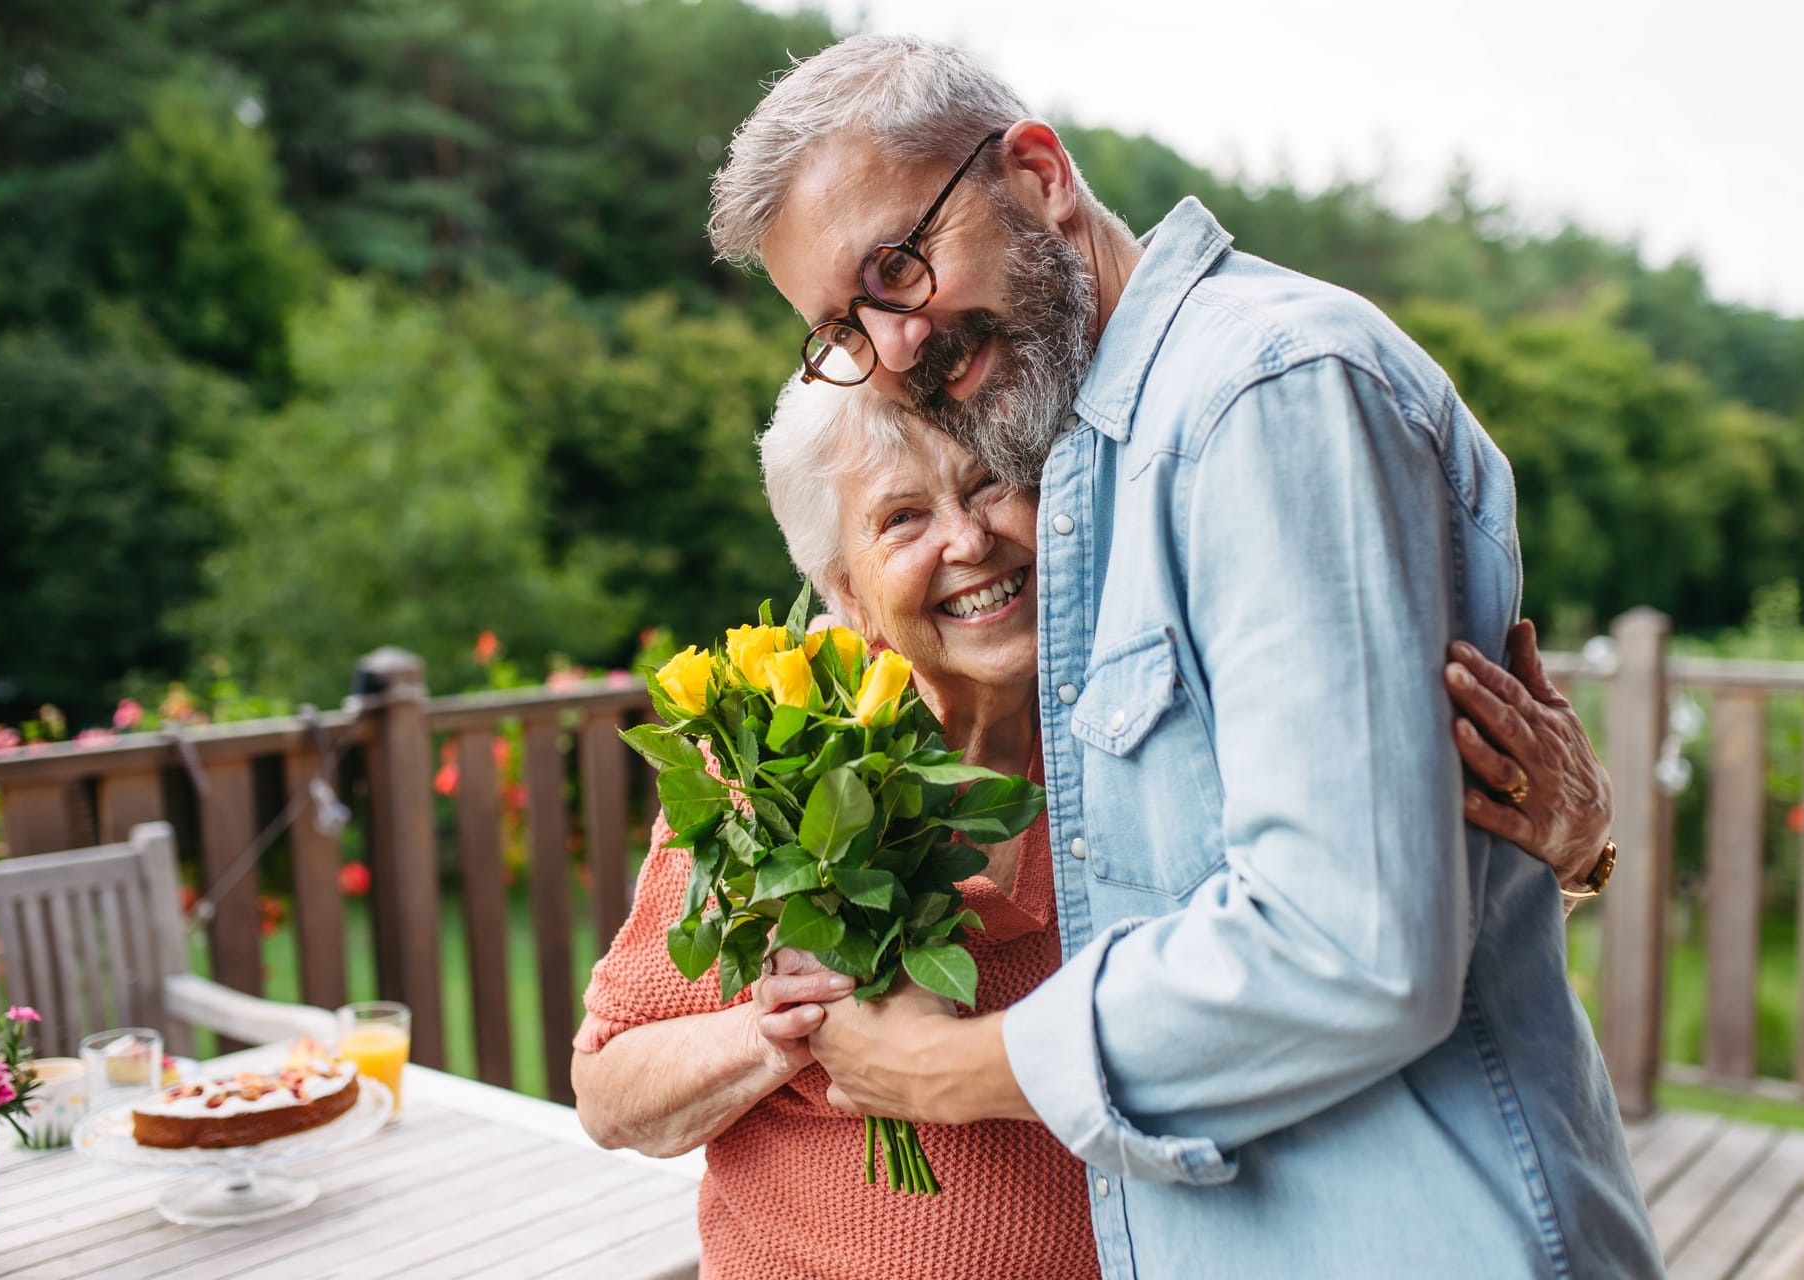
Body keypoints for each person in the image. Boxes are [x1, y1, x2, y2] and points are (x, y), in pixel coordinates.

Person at [703, 33, 1660, 1277]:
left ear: (1040, 174)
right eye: (842, 326)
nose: (893, 350)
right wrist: (1577, 854)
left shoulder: (1264, 393)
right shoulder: (1088, 457)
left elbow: (1348, 942)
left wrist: (945, 1067)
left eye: (897, 267)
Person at [571, 384, 1618, 1278]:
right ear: (847, 593)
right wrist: (782, 1028)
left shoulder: (1159, 737)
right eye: (902, 517)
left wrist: (1575, 853)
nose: (967, 539)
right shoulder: (772, 769)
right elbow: (609, 1093)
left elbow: (1357, 929)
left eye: (991, 482)